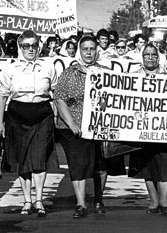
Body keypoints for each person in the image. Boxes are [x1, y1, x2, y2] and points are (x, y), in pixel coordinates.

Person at [0, 30, 58, 217]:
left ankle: (39, 200)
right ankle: (27, 201)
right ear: (19, 47)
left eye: (34, 45)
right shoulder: (10, 68)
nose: (30, 49)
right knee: (22, 160)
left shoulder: (48, 67)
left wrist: (56, 117)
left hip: (42, 115)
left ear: (39, 46)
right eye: (26, 46)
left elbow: (56, 94)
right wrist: (0, 123)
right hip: (17, 116)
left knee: (39, 158)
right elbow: (2, 95)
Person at [129, 43, 167, 215]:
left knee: (166, 163)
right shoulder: (132, 76)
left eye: (153, 54)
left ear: (158, 57)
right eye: (147, 54)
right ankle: (154, 201)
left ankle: (165, 200)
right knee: (147, 164)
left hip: (166, 127)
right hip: (142, 128)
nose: (150, 58)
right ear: (142, 57)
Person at [54, 36, 100, 218]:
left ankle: (98, 199)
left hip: (96, 129)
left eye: (91, 48)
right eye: (85, 49)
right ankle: (81, 203)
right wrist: (72, 124)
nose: (88, 52)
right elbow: (59, 98)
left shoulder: (105, 72)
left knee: (95, 165)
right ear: (80, 51)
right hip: (72, 128)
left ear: (97, 51)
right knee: (76, 164)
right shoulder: (69, 72)